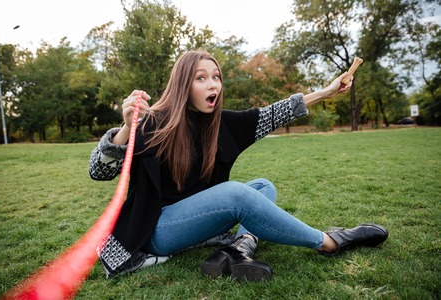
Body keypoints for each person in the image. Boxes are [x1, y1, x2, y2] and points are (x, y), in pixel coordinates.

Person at [89, 50, 388, 281]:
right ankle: (329, 241)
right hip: (158, 230)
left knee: (261, 186)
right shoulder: (153, 122)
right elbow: (98, 171)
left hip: (200, 220)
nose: (213, 84)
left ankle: (240, 246)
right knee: (236, 194)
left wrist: (326, 91)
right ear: (183, 84)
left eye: (216, 76)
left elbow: (275, 113)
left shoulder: (222, 123)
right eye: (201, 77)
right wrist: (126, 129)